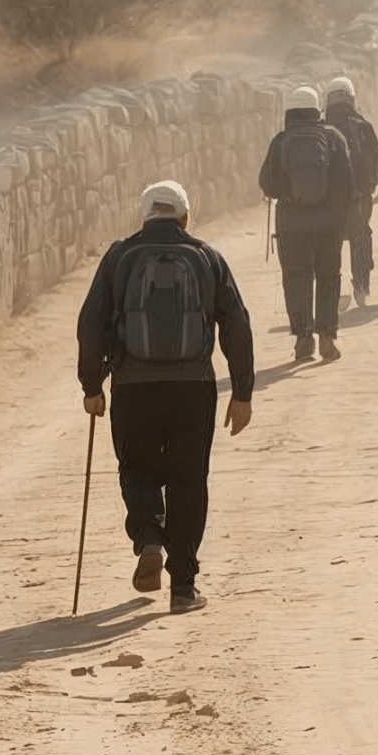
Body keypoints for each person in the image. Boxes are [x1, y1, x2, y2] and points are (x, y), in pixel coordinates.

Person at [76, 180, 256, 615]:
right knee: (188, 479)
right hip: (192, 387)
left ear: (144, 216)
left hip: (133, 387)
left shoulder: (119, 257)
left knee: (136, 467)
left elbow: (92, 323)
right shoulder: (207, 257)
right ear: (185, 216)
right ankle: (183, 587)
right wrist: (242, 391)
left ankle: (149, 538)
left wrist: (92, 386)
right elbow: (236, 323)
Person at [257, 85, 356, 362]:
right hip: (328, 223)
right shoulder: (334, 138)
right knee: (328, 276)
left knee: (296, 277)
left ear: (289, 112)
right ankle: (327, 336)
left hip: (292, 224)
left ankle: (303, 338)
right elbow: (348, 184)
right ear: (317, 110)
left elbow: (268, 184)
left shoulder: (281, 141)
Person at [322, 75, 378, 308]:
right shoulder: (362, 126)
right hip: (359, 198)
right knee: (360, 235)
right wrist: (371, 186)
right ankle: (361, 287)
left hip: (328, 199)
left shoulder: (321, 130)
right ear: (351, 98)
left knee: (330, 243)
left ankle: (333, 292)